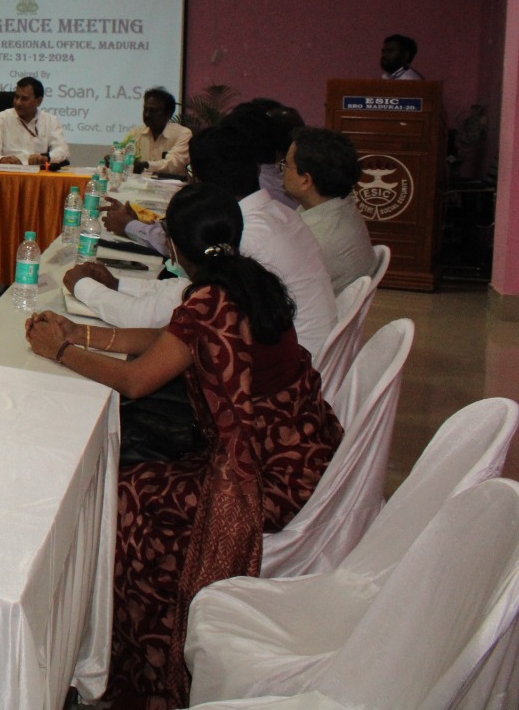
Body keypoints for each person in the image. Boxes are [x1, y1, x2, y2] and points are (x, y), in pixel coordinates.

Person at [27, 183, 341, 709]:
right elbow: (169, 340)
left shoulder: (211, 300)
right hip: (301, 451)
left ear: (172, 246)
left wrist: (59, 350)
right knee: (126, 474)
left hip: (262, 479)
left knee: (123, 497)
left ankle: (140, 669)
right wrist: (81, 336)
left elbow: (137, 381)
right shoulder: (247, 282)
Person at [72, 126, 337, 359]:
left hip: (276, 368)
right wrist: (118, 284)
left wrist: (80, 285)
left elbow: (149, 317)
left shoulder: (241, 234)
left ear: (202, 182)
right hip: (298, 356)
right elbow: (182, 291)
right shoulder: (281, 214)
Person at [283, 126, 377, 293]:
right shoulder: (341, 205)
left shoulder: (313, 242)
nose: (282, 171)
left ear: (306, 180)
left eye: (286, 165)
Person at [0, 77, 69, 166]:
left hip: (38, 172)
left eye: (24, 99)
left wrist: (46, 157)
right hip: (8, 171)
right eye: (16, 97)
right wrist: (2, 159)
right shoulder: (0, 118)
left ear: (38, 101)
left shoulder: (50, 120)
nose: (18, 102)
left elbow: (63, 151)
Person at [120, 87, 191, 176]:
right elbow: (123, 152)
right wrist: (116, 158)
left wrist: (146, 165)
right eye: (145, 109)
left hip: (171, 184)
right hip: (139, 183)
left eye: (153, 111)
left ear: (169, 113)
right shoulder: (136, 133)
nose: (147, 115)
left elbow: (175, 164)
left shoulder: (183, 134)